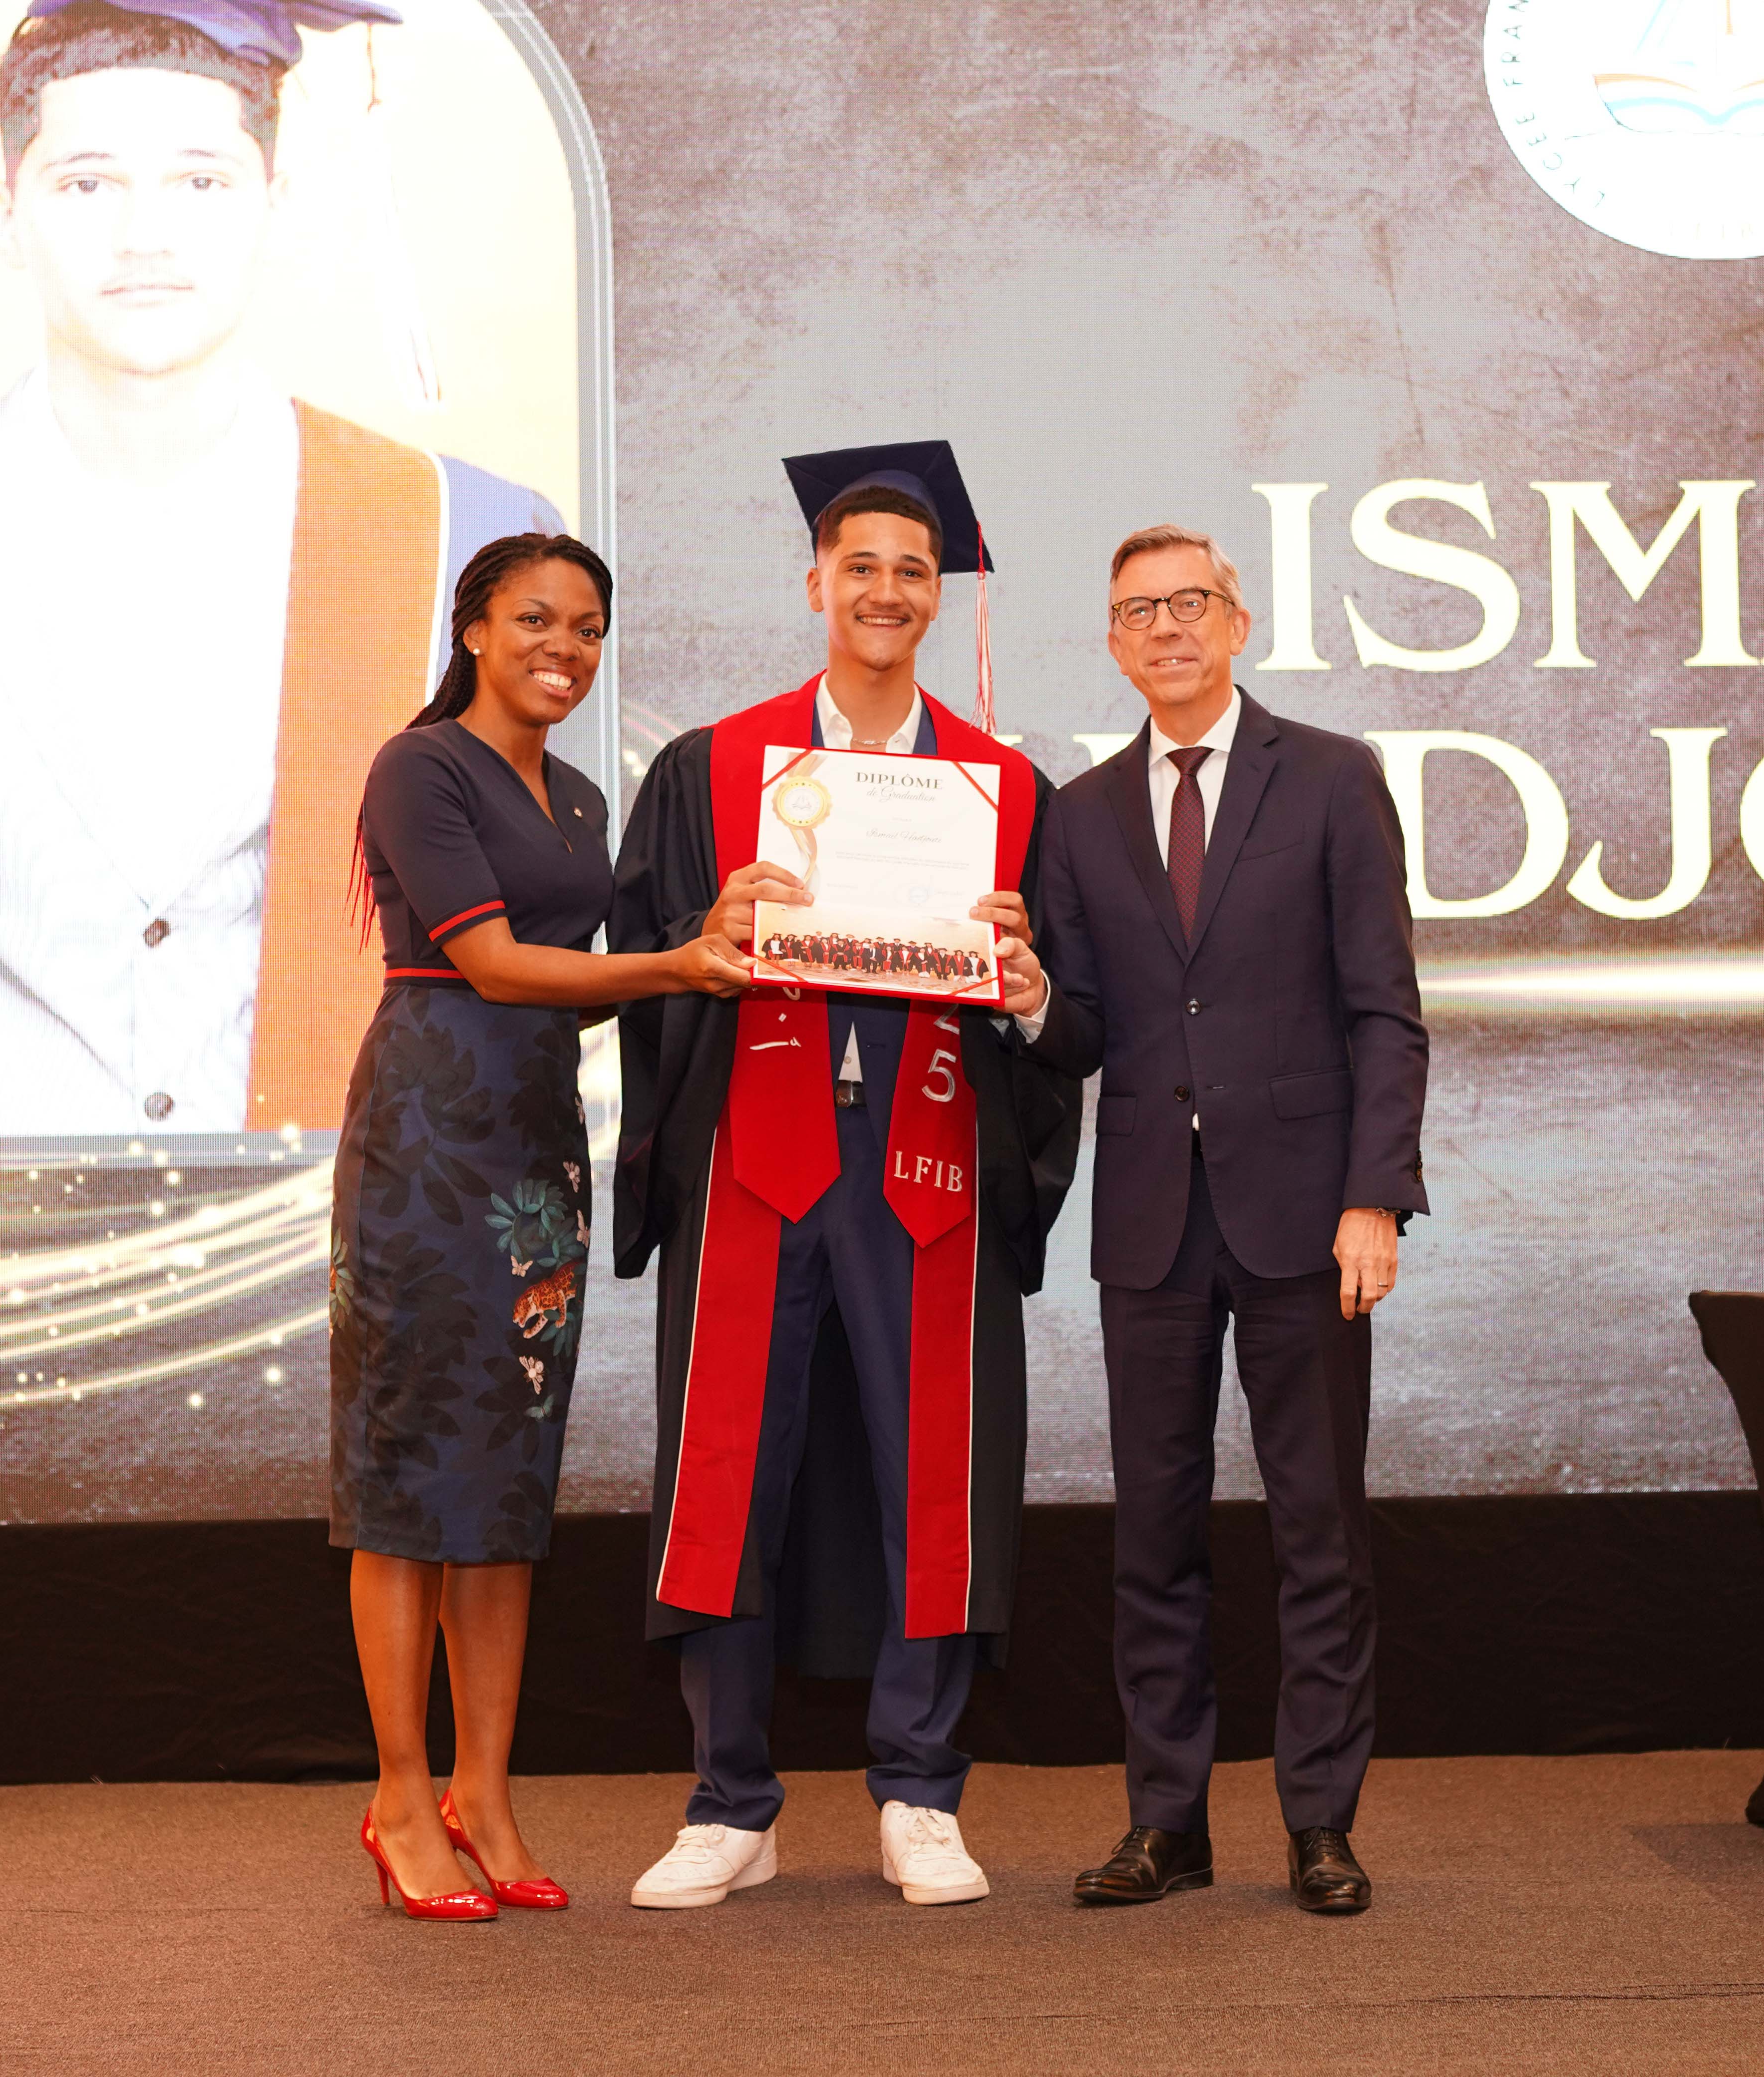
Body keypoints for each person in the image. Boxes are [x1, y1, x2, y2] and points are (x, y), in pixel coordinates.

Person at [0, 0, 557, 1143]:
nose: (147, 237)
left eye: (201, 181)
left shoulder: (459, 548)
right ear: (6, 213)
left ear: (276, 201)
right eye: (87, 183)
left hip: (339, 1228)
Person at [609, 441, 1081, 1910]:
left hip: (928, 1165)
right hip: (756, 1156)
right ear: (813, 583)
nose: (885, 590)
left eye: (911, 572)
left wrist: (1026, 988)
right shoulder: (712, 770)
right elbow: (642, 959)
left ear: (941, 597)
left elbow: (1066, 1009)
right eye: (859, 566)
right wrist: (708, 929)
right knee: (725, 1469)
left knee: (932, 1469)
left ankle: (920, 1792)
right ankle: (729, 1802)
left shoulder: (1006, 789)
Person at [336, 532, 744, 1921]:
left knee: (505, 1486)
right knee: (408, 1482)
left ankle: (485, 1794)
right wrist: (683, 963)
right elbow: (499, 964)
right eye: (532, 620)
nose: (561, 648)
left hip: (535, 1153)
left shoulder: (578, 794)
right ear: (472, 628)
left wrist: (717, 930)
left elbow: (602, 965)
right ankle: (401, 1798)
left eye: (585, 628)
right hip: (425, 1143)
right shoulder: (421, 767)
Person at [1029, 523, 1428, 1916]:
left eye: (1189, 602)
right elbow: (1082, 1028)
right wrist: (1027, 997)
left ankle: (1320, 1822)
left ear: (1238, 621)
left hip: (1308, 1217)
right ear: (1113, 641)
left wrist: (1376, 1195)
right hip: (1149, 1222)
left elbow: (1384, 1009)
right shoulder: (1079, 814)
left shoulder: (1328, 775)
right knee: (1153, 1535)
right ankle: (1167, 1823)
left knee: (1317, 1528)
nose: (1166, 627)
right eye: (1138, 610)